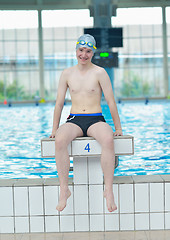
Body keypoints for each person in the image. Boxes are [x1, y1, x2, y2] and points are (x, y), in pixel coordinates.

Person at [50, 34, 122, 213]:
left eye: (88, 51)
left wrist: (118, 127)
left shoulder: (100, 73)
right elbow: (59, 103)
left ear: (93, 53)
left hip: (95, 118)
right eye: (81, 50)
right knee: (59, 141)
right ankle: (64, 189)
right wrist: (54, 129)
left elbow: (111, 101)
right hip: (74, 119)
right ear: (76, 50)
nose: (84, 54)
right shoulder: (67, 73)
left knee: (107, 140)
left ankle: (108, 189)